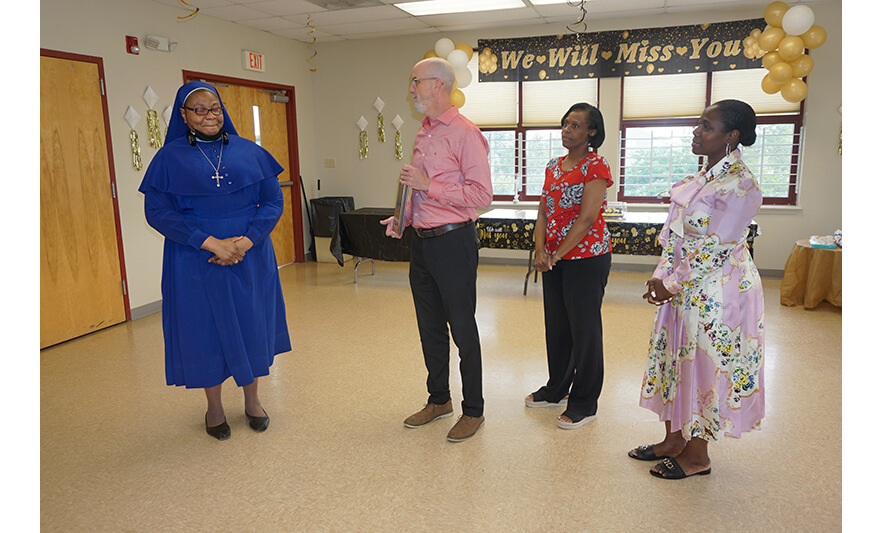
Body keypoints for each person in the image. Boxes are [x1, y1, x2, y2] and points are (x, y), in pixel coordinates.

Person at [139, 81, 291, 440]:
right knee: (204, 332)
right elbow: (157, 211)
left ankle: (253, 401)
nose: (210, 115)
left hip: (248, 256)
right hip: (194, 260)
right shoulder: (168, 159)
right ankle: (215, 408)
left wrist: (246, 241)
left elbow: (272, 202)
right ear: (183, 116)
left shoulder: (251, 152)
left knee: (251, 324)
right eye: (200, 110)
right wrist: (209, 243)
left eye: (216, 108)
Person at [628, 99, 764, 479]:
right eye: (697, 125)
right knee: (675, 359)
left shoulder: (741, 184)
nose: (696, 132)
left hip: (718, 293)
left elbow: (716, 248)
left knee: (704, 366)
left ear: (731, 136)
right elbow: (674, 234)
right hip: (683, 287)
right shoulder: (702, 178)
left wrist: (669, 283)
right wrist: (661, 276)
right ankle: (673, 440)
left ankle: (698, 454)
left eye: (706, 126)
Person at [381, 58, 492, 443]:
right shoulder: (423, 133)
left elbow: (482, 196)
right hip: (422, 244)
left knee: (462, 327)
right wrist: (402, 219)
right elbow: (415, 189)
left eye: (416, 82)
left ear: (438, 86)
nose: (411, 89)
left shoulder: (465, 134)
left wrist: (430, 185)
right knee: (429, 327)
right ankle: (439, 399)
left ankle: (473, 410)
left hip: (454, 242)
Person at [525, 103, 613, 430]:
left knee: (585, 330)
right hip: (554, 258)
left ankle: (585, 401)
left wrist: (557, 253)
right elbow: (544, 211)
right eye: (565, 124)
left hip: (586, 258)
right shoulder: (554, 165)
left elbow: (588, 218)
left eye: (575, 125)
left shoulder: (596, 165)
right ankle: (557, 388)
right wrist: (540, 250)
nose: (567, 130)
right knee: (558, 327)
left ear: (591, 132)